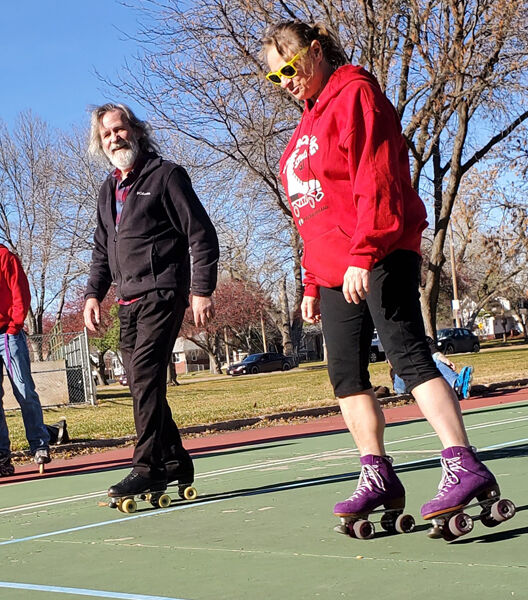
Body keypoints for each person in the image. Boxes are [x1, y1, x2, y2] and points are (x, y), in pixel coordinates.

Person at [260, 21, 501, 525]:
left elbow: (379, 177)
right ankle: (378, 474)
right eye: (274, 76)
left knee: (407, 355)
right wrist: (310, 279)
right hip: (331, 272)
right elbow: (312, 214)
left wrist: (363, 254)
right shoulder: (302, 129)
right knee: (345, 377)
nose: (285, 80)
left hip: (379, 250)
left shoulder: (355, 93)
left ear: (316, 51)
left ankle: (463, 462)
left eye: (289, 66)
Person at [83, 103, 219, 499]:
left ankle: (146, 467)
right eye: (106, 134)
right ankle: (175, 458)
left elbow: (201, 234)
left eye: (120, 130)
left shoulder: (166, 176)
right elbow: (101, 248)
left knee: (143, 376)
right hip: (127, 300)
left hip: (163, 292)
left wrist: (202, 289)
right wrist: (93, 294)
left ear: (137, 132)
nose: (114, 138)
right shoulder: (108, 188)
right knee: (143, 383)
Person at [0, 243, 51, 477]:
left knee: (24, 390)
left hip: (8, 335)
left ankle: (39, 445)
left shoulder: (4, 256)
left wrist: (14, 326)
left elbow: (20, 291)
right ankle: (2, 456)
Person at [391, 337, 474, 400]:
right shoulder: (390, 339)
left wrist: (440, 356)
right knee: (409, 364)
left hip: (421, 376)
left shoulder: (414, 334)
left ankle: (457, 385)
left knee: (434, 359)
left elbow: (428, 343)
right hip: (401, 380)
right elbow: (392, 362)